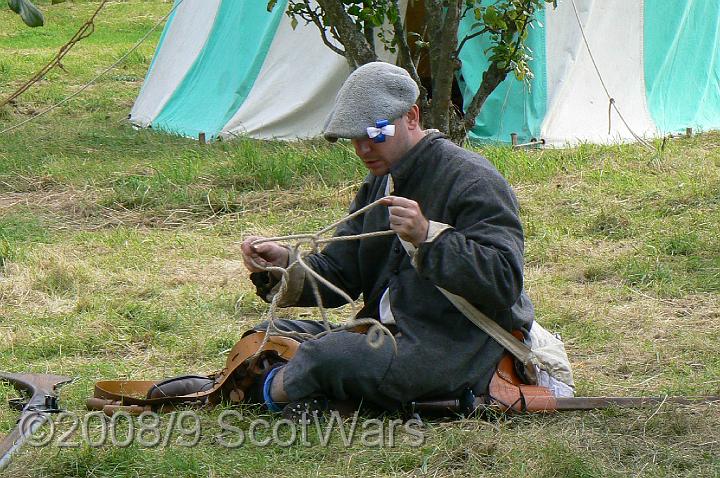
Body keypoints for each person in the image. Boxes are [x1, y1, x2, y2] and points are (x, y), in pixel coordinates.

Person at [240, 61, 535, 416]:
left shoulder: (473, 179)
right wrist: (284, 262)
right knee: (266, 336)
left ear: (411, 116)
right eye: (354, 137)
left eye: (376, 132)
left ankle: (265, 392)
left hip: (458, 347)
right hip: (386, 335)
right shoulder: (381, 181)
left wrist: (429, 236)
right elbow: (340, 274)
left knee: (326, 355)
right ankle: (310, 389)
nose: (364, 147)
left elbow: (504, 282)